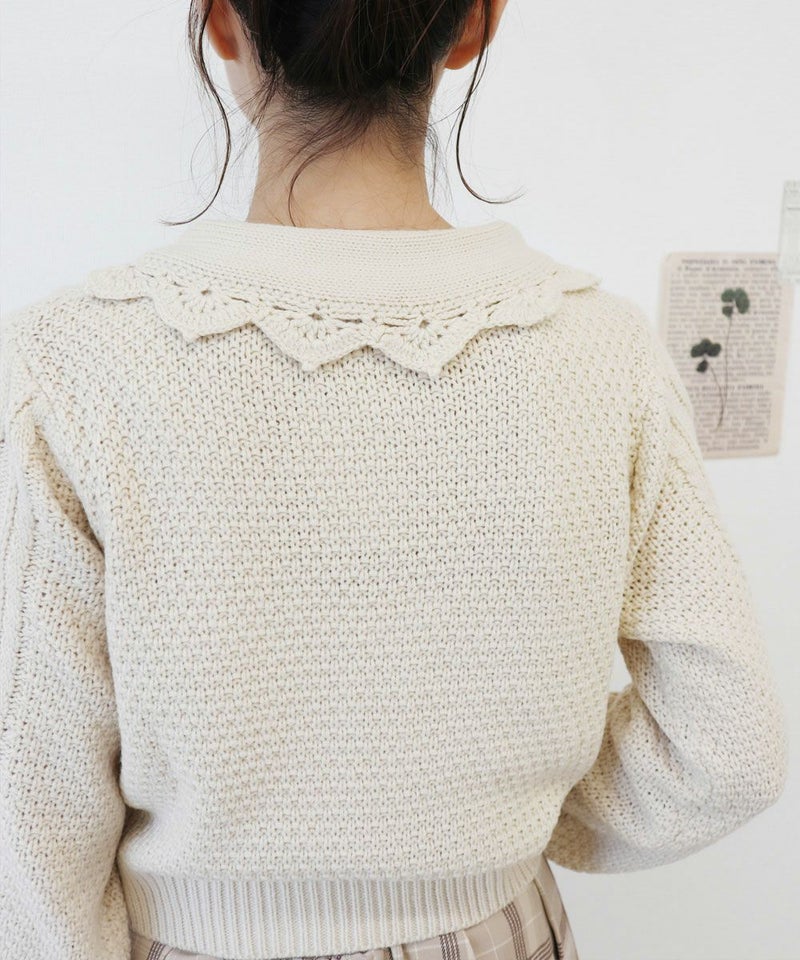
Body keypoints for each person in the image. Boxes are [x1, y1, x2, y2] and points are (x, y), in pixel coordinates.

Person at [0, 1, 789, 959]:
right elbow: (724, 751)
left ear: (221, 23)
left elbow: (29, 821)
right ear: (475, 25)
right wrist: (495, 821)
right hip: (503, 932)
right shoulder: (605, 351)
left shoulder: (68, 365)